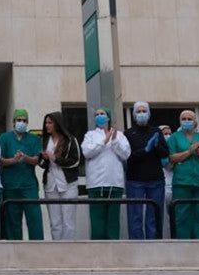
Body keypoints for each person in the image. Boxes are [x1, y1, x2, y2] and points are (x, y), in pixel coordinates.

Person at [81, 107, 131, 240]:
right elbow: (87, 152)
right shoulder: (90, 135)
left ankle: (113, 252)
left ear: (108, 117)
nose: (99, 116)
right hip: (95, 184)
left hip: (115, 183)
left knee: (113, 221)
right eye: (97, 114)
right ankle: (97, 252)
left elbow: (126, 154)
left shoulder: (119, 135)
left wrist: (114, 140)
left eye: (102, 114)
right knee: (97, 221)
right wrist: (104, 141)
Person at [124, 101, 169, 240]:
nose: (141, 114)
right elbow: (127, 157)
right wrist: (145, 150)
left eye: (144, 111)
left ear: (149, 114)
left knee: (154, 215)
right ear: (134, 115)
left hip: (155, 179)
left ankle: (154, 244)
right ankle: (137, 246)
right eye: (139, 111)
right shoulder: (128, 133)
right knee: (135, 215)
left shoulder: (156, 132)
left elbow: (165, 153)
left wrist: (156, 146)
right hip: (135, 179)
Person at [0, 109, 44, 240]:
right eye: (19, 120)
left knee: (34, 219)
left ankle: (37, 250)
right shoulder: (4, 138)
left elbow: (36, 160)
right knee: (13, 222)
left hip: (29, 186)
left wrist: (25, 158)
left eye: (24, 120)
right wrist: (13, 160)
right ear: (13, 122)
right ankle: (15, 253)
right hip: (10, 185)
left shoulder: (34, 139)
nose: (21, 123)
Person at [167, 111, 199, 239]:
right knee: (182, 215)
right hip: (182, 182)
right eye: (184, 119)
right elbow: (172, 158)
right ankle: (183, 245)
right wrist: (189, 151)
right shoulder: (174, 137)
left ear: (195, 122)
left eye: (189, 119)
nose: (186, 121)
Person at [40, 112, 83, 241]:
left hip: (68, 184)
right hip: (51, 185)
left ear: (57, 123)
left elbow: (76, 161)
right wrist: (45, 159)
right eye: (46, 123)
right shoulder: (45, 140)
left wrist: (56, 159)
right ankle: (56, 250)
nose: (47, 125)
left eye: (50, 122)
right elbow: (42, 164)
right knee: (55, 222)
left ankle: (67, 251)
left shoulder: (70, 140)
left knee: (68, 221)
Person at [159, 124, 174, 238]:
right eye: (165, 134)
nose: (168, 136)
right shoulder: (157, 148)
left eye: (170, 133)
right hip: (163, 188)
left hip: (175, 186)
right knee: (165, 221)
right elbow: (168, 165)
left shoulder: (175, 147)